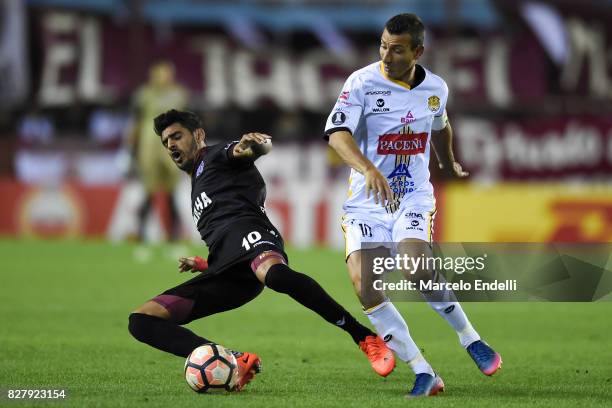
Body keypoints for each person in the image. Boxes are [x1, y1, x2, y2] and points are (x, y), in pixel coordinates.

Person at [128, 109, 394, 391]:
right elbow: (225, 234)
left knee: (275, 275)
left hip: (257, 240)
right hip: (229, 272)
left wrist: (255, 144)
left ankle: (363, 336)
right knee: (141, 320)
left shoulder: (217, 156)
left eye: (176, 136)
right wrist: (207, 264)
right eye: (166, 141)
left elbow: (249, 149)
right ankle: (232, 360)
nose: (170, 145)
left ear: (198, 135)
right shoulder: (197, 182)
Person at [324, 13, 502, 397]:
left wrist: (447, 159)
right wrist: (368, 168)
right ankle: (423, 371)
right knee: (364, 285)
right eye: (383, 45)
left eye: (397, 49)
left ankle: (470, 338)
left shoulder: (436, 88)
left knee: (415, 268)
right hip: (366, 201)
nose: (387, 55)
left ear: (418, 51)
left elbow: (441, 124)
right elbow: (336, 134)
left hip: (412, 195)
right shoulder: (361, 82)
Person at [125, 61, 188, 241]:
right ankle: (141, 232)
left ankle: (174, 235)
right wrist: (131, 147)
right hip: (149, 146)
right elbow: (135, 120)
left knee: (171, 192)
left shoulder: (179, 94)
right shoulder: (144, 94)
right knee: (149, 190)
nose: (163, 77)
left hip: (172, 146)